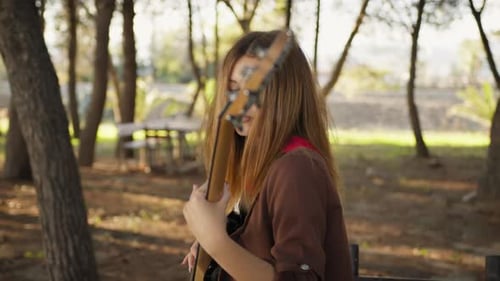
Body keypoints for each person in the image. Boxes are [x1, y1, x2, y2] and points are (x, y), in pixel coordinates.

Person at [182, 30, 354, 281]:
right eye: (232, 90)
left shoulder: (297, 168)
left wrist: (216, 241)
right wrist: (219, 247)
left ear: (285, 92)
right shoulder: (264, 168)